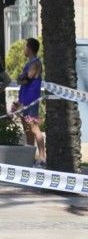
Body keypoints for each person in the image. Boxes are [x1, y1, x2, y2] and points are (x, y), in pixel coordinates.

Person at [13, 38, 45, 167]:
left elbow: (26, 78)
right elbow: (21, 80)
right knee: (27, 129)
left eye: (25, 47)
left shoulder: (35, 63)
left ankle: (42, 157)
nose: (24, 49)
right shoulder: (29, 63)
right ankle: (30, 157)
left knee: (34, 128)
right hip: (24, 99)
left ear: (30, 48)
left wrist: (22, 77)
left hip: (31, 100)